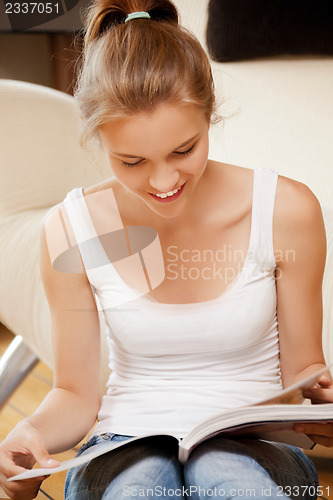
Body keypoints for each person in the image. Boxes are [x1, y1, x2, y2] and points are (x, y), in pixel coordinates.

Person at [0, 0, 332, 499]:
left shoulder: (286, 211)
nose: (162, 182)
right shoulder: (71, 229)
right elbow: (75, 392)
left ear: (209, 112)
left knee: (227, 474)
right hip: (124, 444)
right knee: (135, 485)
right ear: (98, 140)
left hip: (254, 446)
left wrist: (323, 405)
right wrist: (31, 434)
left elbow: (306, 371)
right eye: (131, 161)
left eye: (184, 150)